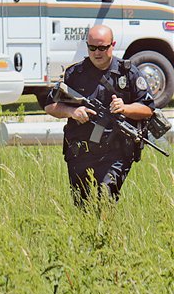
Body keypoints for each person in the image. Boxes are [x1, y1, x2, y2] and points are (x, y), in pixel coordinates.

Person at [44, 24, 154, 206]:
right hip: (81, 152)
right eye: (92, 48)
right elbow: (50, 106)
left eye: (102, 48)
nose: (97, 53)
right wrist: (72, 112)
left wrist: (125, 108)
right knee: (83, 206)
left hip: (115, 152)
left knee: (106, 196)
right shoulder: (74, 73)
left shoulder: (127, 73)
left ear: (113, 45)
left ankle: (106, 233)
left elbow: (148, 109)